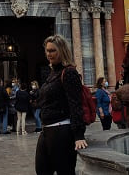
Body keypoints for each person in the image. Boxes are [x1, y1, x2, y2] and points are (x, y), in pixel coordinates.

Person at [35, 35, 87, 175]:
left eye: (52, 50)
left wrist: (78, 135)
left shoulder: (69, 72)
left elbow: (75, 104)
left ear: (62, 50)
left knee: (65, 172)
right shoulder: (53, 73)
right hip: (46, 130)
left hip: (61, 130)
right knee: (41, 170)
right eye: (47, 50)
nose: (48, 54)